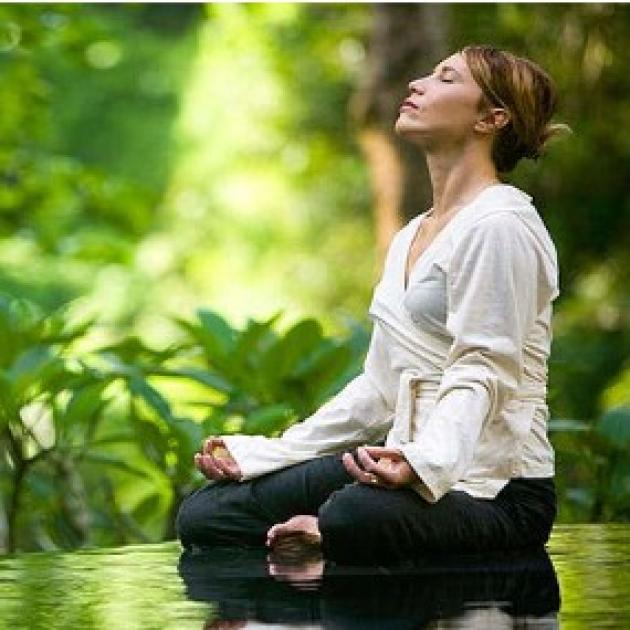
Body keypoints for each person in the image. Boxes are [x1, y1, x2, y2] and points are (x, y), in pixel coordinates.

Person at [176, 44, 571, 566]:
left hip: (497, 491)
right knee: (208, 514)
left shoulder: (501, 226)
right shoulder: (411, 236)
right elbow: (381, 388)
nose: (418, 85)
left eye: (446, 79)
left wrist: (423, 464)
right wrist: (263, 454)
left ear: (491, 118)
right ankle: (327, 541)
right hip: (400, 461)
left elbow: (486, 368)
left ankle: (330, 536)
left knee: (351, 516)